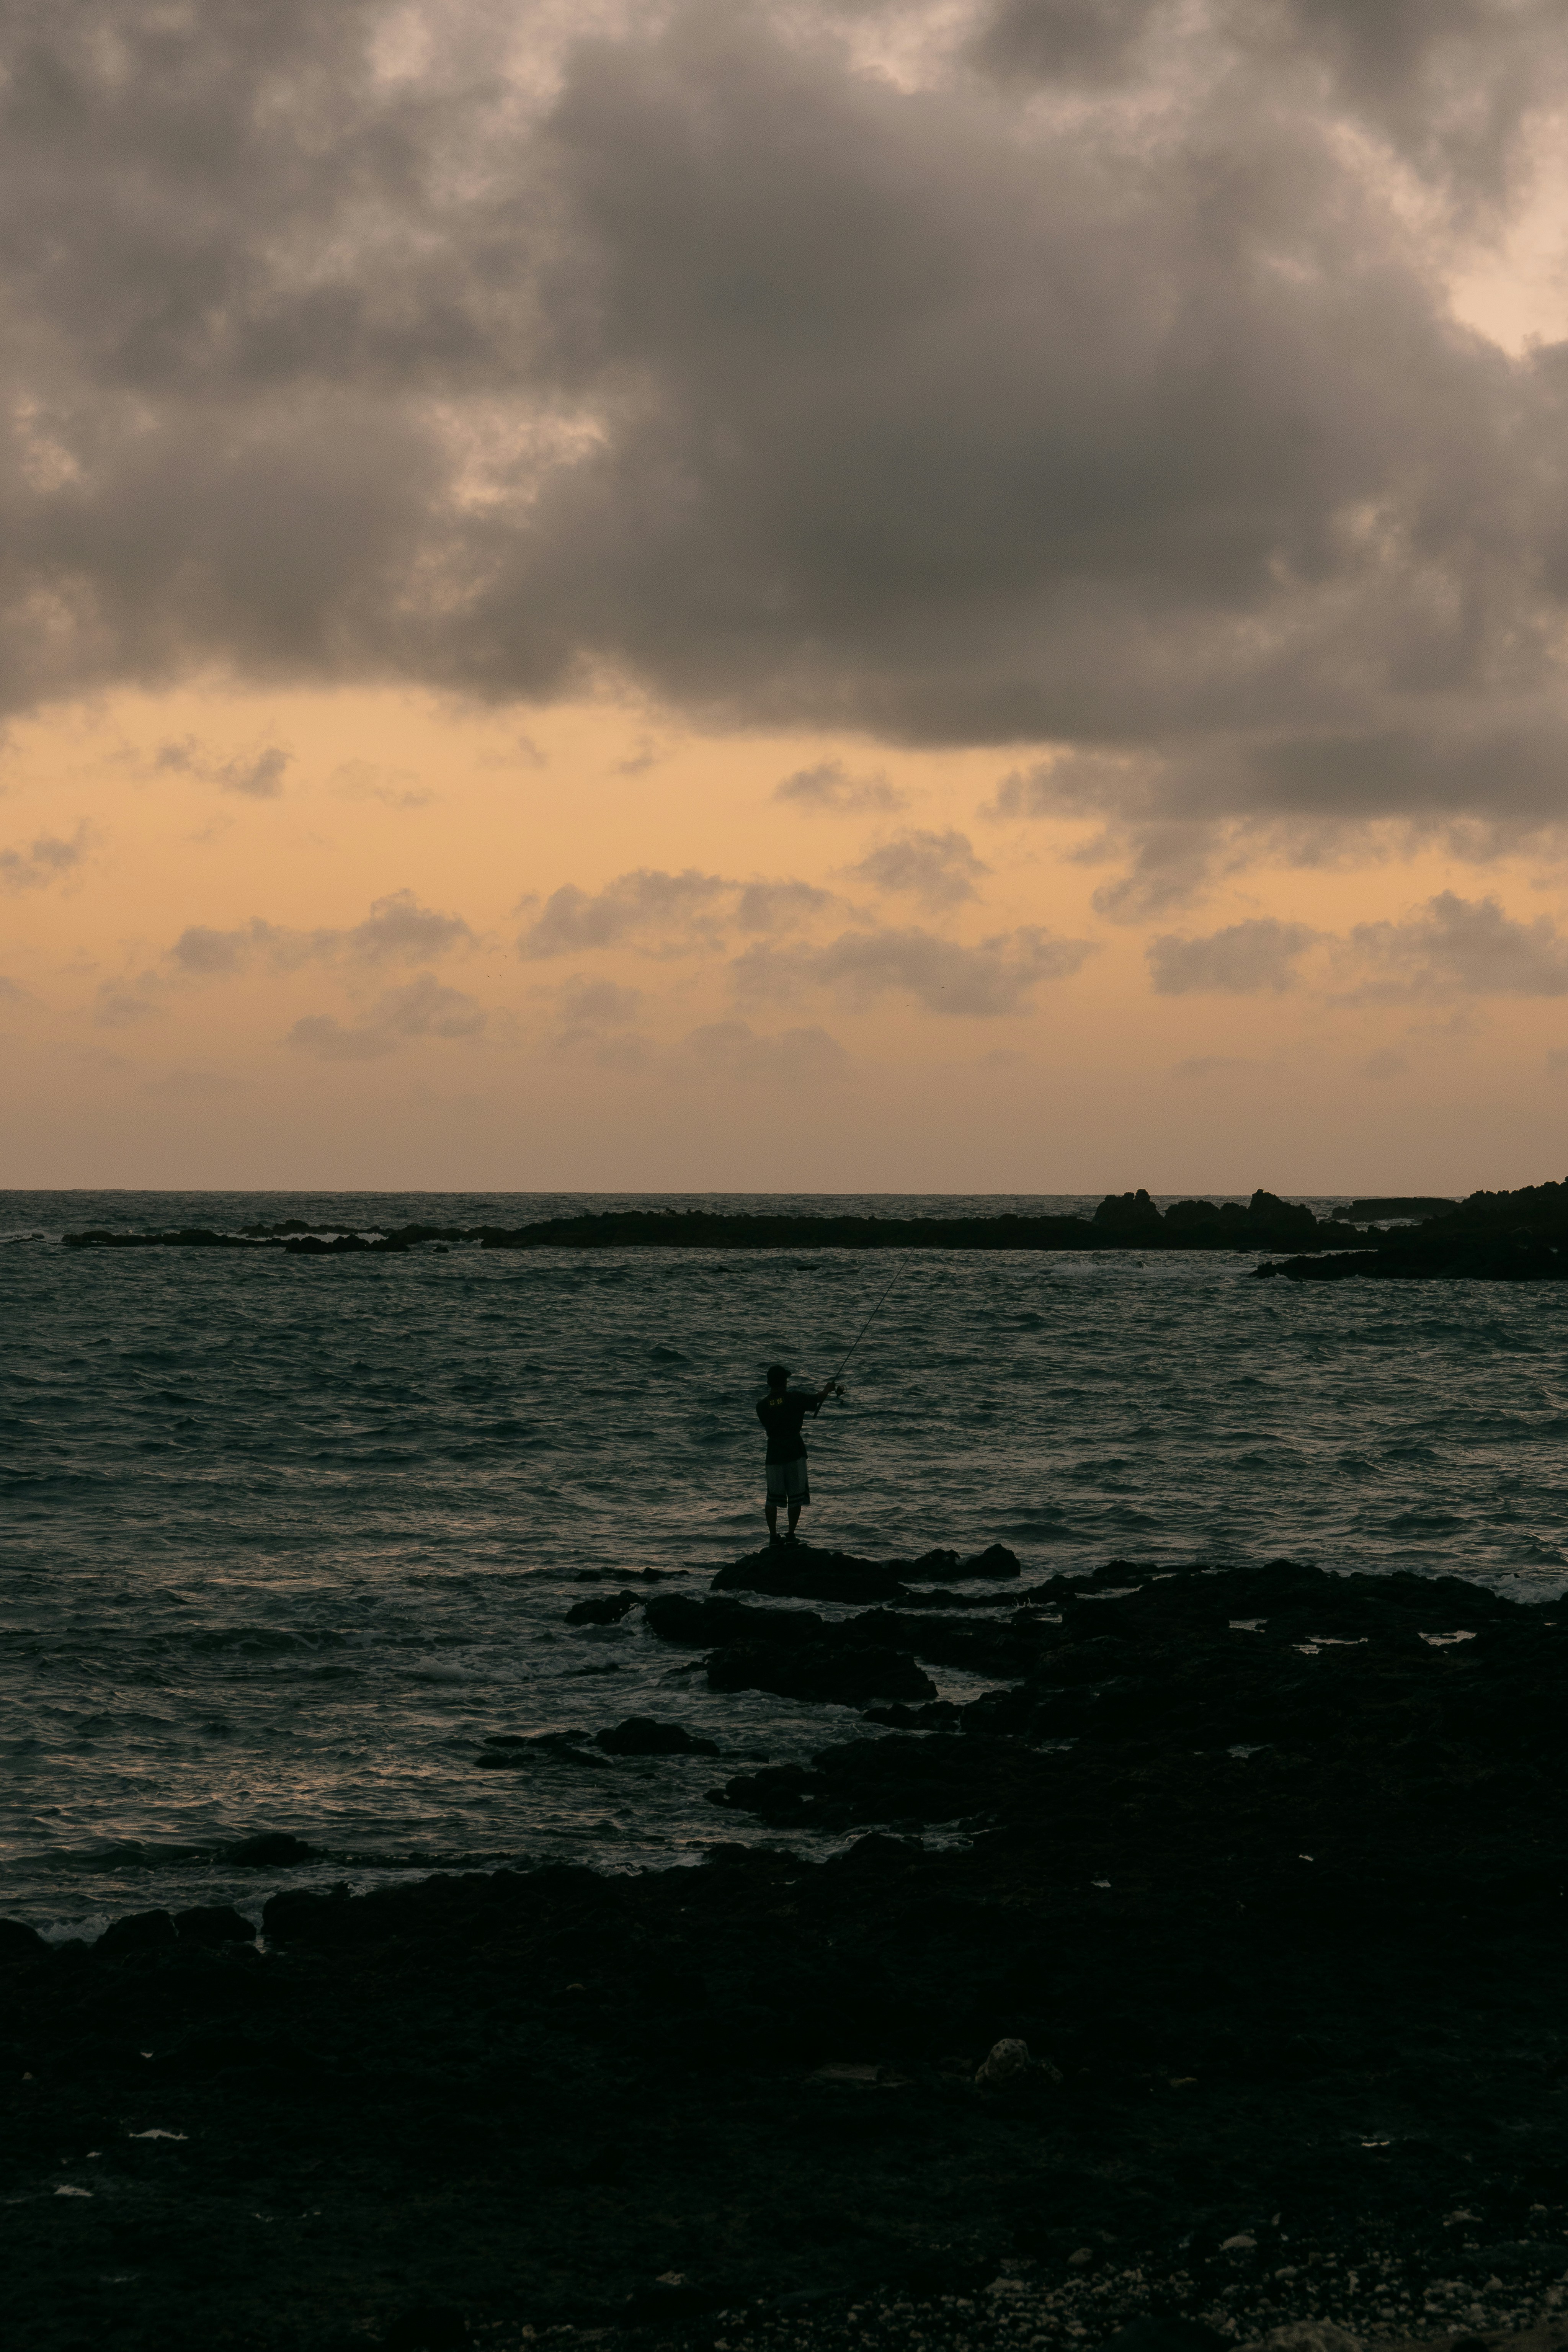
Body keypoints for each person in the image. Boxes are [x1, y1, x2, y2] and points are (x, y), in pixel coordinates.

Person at [756, 1363, 840, 1546]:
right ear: (785, 1382)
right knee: (796, 1496)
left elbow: (772, 1417)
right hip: (795, 1451)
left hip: (774, 1454)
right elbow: (817, 1399)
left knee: (772, 1497)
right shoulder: (795, 1398)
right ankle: (791, 1535)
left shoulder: (761, 1406)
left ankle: (773, 1537)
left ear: (770, 1383)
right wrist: (828, 1388)